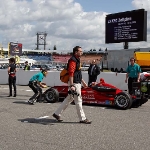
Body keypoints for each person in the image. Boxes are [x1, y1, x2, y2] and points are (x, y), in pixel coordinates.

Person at [53, 46, 92, 124]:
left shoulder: (77, 60)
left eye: (81, 51)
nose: (82, 52)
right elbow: (71, 73)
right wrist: (71, 85)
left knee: (69, 99)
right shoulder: (73, 61)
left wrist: (83, 82)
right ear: (76, 52)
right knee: (78, 100)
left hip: (76, 82)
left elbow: (78, 73)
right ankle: (82, 118)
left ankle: (57, 114)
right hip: (74, 83)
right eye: (80, 51)